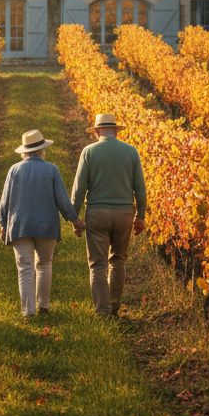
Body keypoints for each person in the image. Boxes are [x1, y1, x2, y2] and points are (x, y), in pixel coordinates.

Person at [70, 114, 147, 317]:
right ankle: (114, 305)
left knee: (98, 263)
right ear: (116, 131)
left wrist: (75, 218)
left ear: (96, 131)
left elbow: (79, 188)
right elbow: (140, 188)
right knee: (118, 260)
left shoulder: (89, 152)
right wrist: (141, 216)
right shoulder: (131, 152)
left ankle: (102, 311)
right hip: (124, 214)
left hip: (97, 213)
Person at [0, 129, 81, 318]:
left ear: (24, 152)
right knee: (44, 264)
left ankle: (28, 312)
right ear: (42, 150)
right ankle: (44, 305)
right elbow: (62, 200)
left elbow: (5, 201)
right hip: (46, 225)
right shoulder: (51, 169)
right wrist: (74, 220)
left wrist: (3, 223)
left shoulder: (14, 170)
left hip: (19, 225)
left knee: (25, 267)